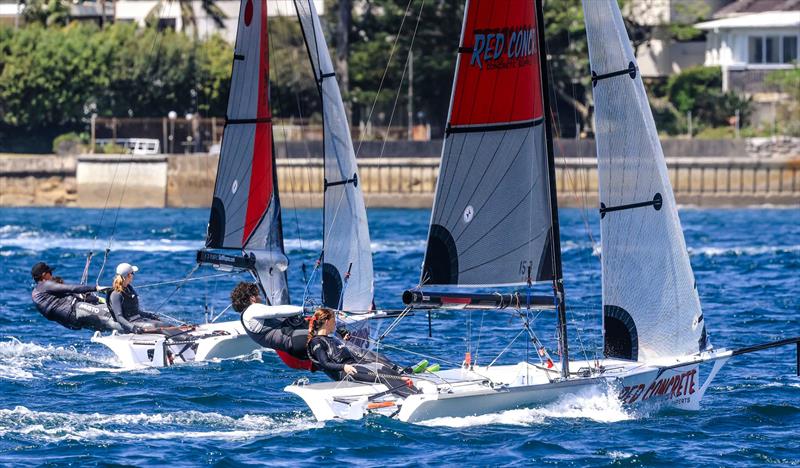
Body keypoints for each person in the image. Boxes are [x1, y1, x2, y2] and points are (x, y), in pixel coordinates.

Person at [307, 307, 420, 398]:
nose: (335, 324)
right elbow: (324, 363)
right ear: (327, 322)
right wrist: (344, 367)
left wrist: (398, 378)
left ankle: (412, 389)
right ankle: (414, 398)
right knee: (382, 376)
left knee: (383, 368)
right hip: (346, 372)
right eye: (334, 321)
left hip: (356, 366)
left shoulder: (331, 338)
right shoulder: (316, 342)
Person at [230, 281, 312, 370]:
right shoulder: (252, 310)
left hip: (293, 353)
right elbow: (277, 311)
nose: (260, 298)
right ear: (253, 298)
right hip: (298, 341)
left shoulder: (246, 319)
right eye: (258, 295)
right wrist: (305, 309)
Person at [30, 262, 122, 332]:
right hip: (75, 310)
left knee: (105, 325)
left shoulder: (36, 293)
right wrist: (96, 288)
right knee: (109, 315)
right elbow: (71, 288)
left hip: (70, 323)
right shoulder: (44, 285)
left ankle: (126, 334)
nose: (51, 274)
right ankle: (134, 330)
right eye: (50, 272)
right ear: (44, 275)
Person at [108, 263, 171, 333]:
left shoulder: (129, 289)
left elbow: (135, 312)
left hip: (139, 320)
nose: (133, 276)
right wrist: (133, 328)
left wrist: (150, 315)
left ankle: (184, 335)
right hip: (131, 324)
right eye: (133, 273)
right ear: (129, 275)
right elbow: (119, 317)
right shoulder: (116, 294)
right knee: (157, 325)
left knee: (166, 324)